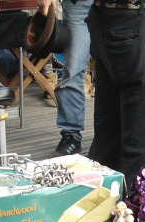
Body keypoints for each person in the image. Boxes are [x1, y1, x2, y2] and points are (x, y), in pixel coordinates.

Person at [39, 0, 145, 187]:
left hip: (111, 18)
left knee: (109, 148)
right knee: (141, 157)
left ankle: (108, 209)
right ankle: (130, 210)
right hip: (142, 19)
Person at [51, 0, 93, 156]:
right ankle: (71, 135)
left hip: (120, 8)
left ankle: (114, 134)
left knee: (116, 72)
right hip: (78, 5)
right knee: (72, 71)